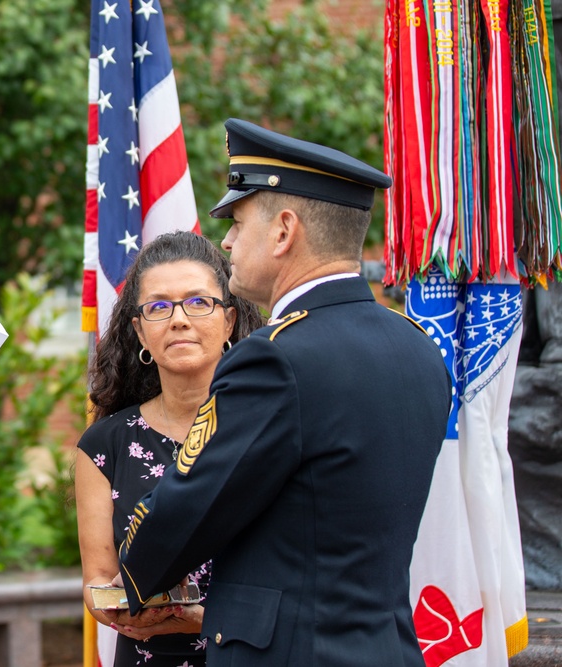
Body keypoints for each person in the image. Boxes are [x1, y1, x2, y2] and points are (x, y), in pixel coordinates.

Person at [116, 119, 453, 666]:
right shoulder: (416, 345)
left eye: (239, 221)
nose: (225, 241)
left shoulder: (275, 356)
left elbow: (184, 514)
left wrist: (135, 565)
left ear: (284, 231)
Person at [76, 231, 263, 666]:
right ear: (140, 331)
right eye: (159, 307)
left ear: (230, 321)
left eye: (198, 302)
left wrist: (206, 618)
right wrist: (117, 605)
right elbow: (98, 581)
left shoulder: (267, 426)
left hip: (248, 653)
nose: (179, 319)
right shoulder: (105, 445)